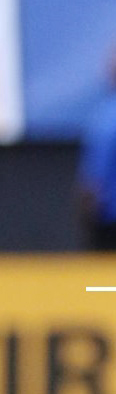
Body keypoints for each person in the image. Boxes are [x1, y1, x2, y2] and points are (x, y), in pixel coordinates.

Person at [78, 50, 116, 249]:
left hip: (109, 221)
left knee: (106, 280)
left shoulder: (107, 118)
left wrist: (87, 214)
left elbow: (95, 178)